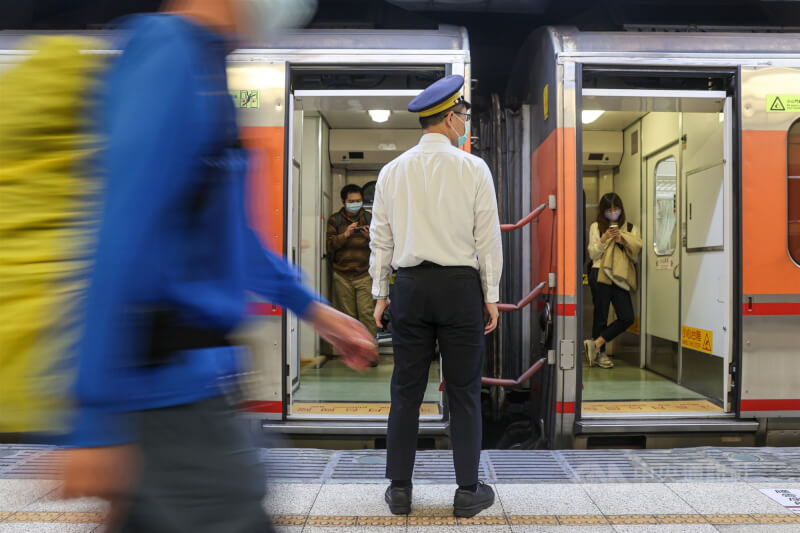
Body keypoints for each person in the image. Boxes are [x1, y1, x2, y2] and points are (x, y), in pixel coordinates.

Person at [60, 1, 377, 531]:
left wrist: (318, 312)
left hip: (194, 391)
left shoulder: (207, 67)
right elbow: (119, 229)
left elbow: (235, 240)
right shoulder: (167, 52)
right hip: (166, 396)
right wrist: (93, 422)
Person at [369, 74, 503, 518]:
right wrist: (492, 293)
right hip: (460, 289)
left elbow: (381, 240)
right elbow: (488, 240)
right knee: (464, 391)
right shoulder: (473, 168)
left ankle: (400, 491)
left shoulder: (392, 171)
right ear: (449, 117)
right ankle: (468, 492)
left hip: (408, 288)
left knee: (405, 390)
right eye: (463, 115)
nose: (465, 122)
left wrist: (378, 293)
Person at [585, 192, 642, 369]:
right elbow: (593, 254)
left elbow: (635, 257)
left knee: (626, 317)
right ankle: (599, 355)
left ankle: (596, 344)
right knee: (600, 315)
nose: (612, 212)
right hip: (599, 273)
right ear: (602, 212)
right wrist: (604, 239)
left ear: (621, 209)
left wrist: (622, 240)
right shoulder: (597, 226)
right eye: (608, 209)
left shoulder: (631, 228)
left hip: (620, 275)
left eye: (615, 209)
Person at [327, 184, 377, 340]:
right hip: (342, 275)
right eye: (352, 201)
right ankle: (354, 350)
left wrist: (370, 237)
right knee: (347, 317)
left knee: (367, 314)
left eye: (359, 200)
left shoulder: (370, 218)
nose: (355, 204)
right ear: (344, 202)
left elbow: (382, 244)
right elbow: (329, 245)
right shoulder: (335, 220)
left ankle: (369, 349)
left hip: (365, 274)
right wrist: (345, 234)